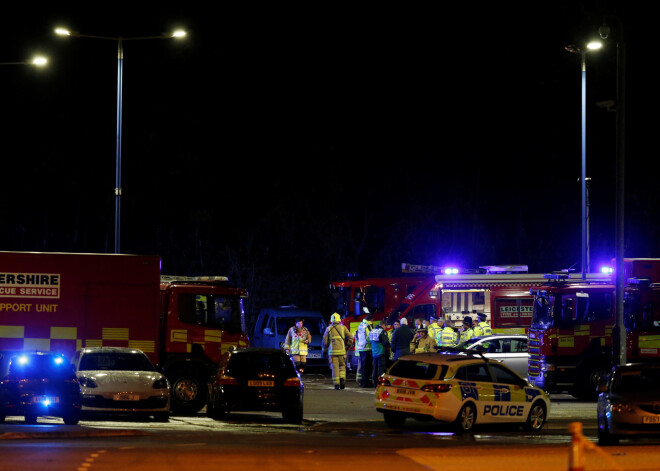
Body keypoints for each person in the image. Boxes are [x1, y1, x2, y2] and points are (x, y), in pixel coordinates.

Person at [322, 313, 354, 390]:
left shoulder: (329, 329)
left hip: (332, 352)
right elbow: (351, 338)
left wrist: (324, 351)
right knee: (342, 366)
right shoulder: (343, 328)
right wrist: (347, 346)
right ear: (339, 319)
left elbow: (325, 342)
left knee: (335, 368)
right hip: (342, 352)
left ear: (332, 320)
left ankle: (336, 384)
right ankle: (342, 380)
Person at [368, 320, 390, 387]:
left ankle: (374, 384)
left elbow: (369, 340)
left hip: (374, 353)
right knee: (381, 370)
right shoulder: (382, 331)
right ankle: (380, 384)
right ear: (383, 325)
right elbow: (385, 342)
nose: (385, 328)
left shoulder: (372, 331)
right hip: (381, 352)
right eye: (385, 326)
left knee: (375, 369)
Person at [355, 314, 374, 387]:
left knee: (363, 366)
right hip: (367, 348)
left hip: (361, 347)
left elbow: (357, 334)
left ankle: (363, 382)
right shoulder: (368, 326)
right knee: (367, 367)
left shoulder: (361, 325)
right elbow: (369, 336)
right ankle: (366, 383)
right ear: (371, 320)